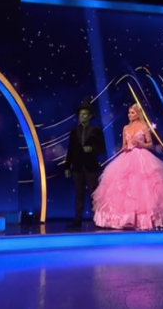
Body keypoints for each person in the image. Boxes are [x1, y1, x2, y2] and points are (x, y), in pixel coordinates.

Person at [92, 103, 163, 230]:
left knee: (145, 187)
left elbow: (150, 144)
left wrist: (140, 143)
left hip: (142, 157)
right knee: (123, 188)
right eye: (129, 113)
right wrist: (126, 146)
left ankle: (144, 220)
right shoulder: (125, 128)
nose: (130, 115)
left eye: (133, 113)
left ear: (138, 114)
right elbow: (124, 146)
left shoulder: (144, 127)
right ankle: (123, 220)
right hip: (127, 157)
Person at [64, 97, 106, 228]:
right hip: (77, 166)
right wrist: (67, 167)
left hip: (90, 166)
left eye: (85, 114)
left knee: (94, 195)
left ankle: (97, 219)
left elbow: (102, 148)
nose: (82, 117)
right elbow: (70, 150)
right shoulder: (74, 131)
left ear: (90, 116)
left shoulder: (96, 131)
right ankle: (77, 220)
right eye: (81, 114)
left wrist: (92, 149)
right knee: (79, 194)